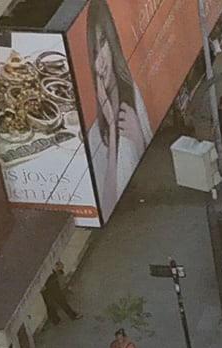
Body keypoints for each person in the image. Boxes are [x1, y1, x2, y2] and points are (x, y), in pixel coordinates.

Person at [83, 0, 147, 221]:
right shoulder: (93, 131)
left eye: (103, 43)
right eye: (93, 51)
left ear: (112, 41)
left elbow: (145, 147)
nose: (100, 59)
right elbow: (107, 205)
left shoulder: (132, 92)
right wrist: (111, 127)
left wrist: (138, 136)